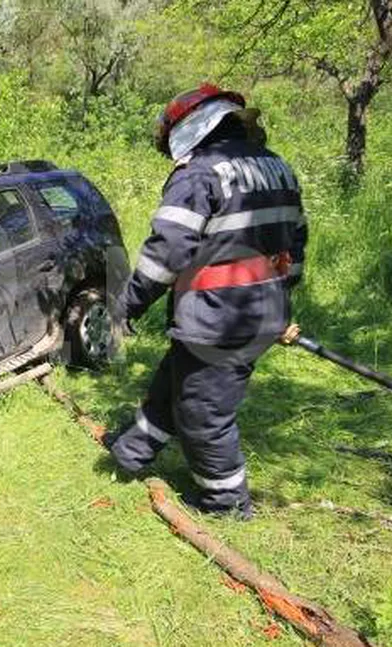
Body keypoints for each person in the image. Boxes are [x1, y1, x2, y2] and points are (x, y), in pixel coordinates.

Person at [103, 83, 308, 518]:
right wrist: (280, 300)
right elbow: (297, 241)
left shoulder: (201, 173)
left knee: (204, 414)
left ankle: (226, 503)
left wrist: (127, 305)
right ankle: (132, 451)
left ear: (191, 129)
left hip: (218, 316)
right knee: (176, 380)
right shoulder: (278, 167)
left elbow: (167, 254)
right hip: (255, 310)